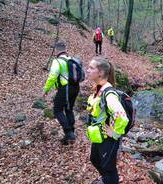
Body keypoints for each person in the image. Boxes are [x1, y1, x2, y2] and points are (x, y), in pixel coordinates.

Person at [86, 56, 129, 184]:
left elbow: (121, 115)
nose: (87, 70)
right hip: (99, 136)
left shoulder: (109, 93)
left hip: (108, 139)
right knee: (95, 159)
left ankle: (109, 180)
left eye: (91, 68)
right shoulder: (99, 88)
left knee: (108, 168)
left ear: (100, 73)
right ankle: (106, 180)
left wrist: (115, 132)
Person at [43, 41, 80, 145]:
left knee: (57, 110)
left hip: (65, 88)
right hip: (75, 87)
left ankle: (69, 133)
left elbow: (52, 76)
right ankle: (70, 134)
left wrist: (46, 90)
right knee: (69, 109)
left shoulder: (57, 61)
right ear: (65, 49)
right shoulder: (71, 59)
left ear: (56, 50)